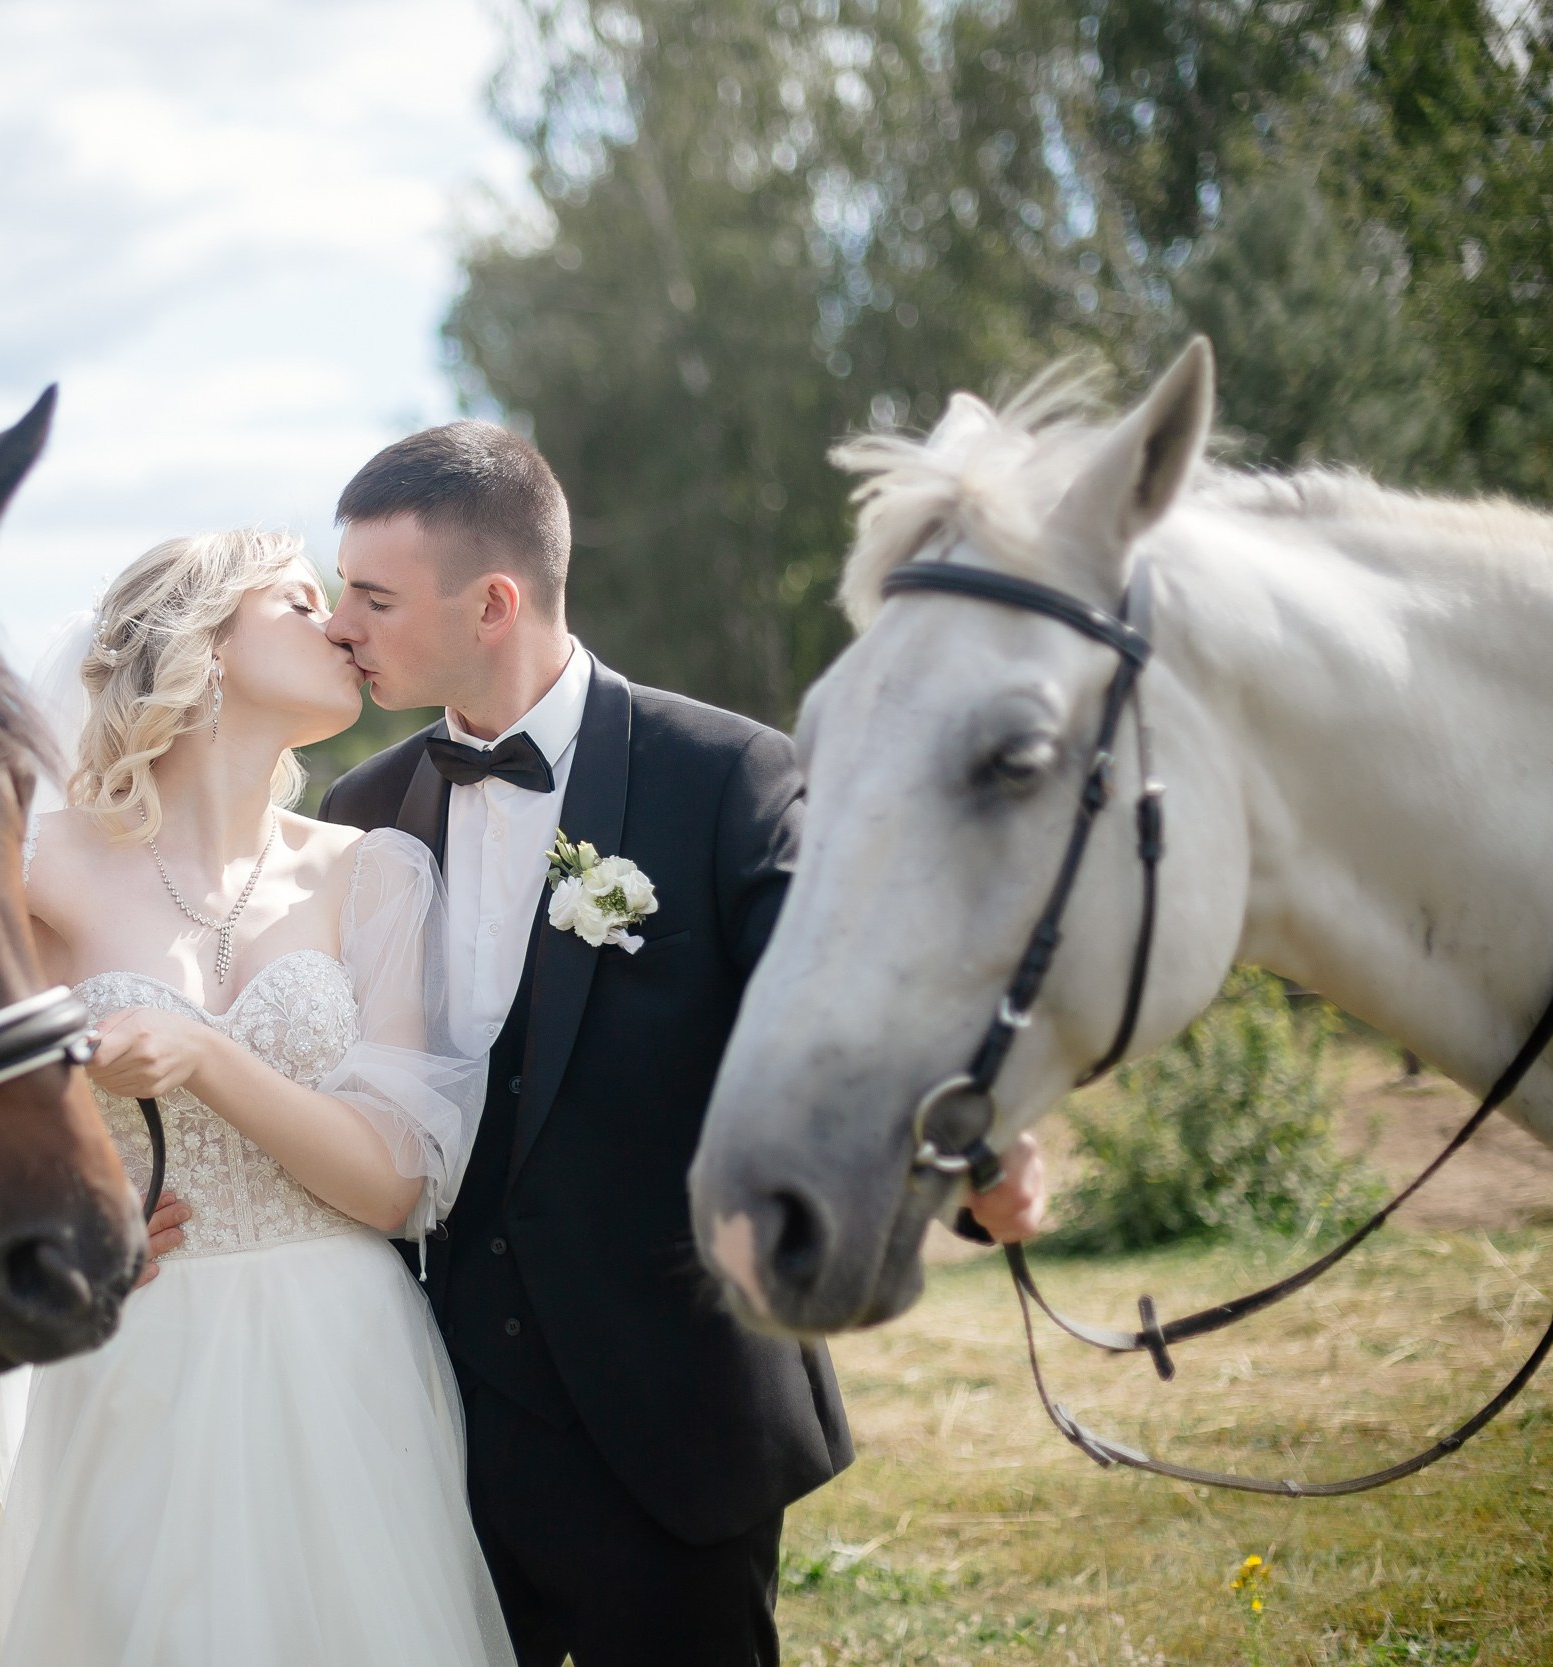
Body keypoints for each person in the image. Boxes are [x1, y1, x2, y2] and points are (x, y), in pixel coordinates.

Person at [318, 421, 1047, 1667]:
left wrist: (975, 1153)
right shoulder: (362, 809)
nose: (341, 626)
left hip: (671, 1423)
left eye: (372, 598)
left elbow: (839, 1005)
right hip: (433, 1421)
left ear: (492, 603)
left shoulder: (724, 773)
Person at [0, 529, 516, 1667]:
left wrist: (205, 1056)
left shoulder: (370, 871)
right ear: (205, 643)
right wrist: (68, 1234)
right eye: (301, 601)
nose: (342, 627)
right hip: (142, 1356)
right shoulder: (34, 871)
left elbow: (393, 1184)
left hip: (344, 1350)